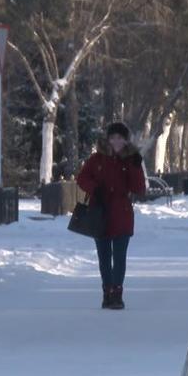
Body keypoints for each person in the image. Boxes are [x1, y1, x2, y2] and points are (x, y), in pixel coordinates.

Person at [76, 122, 146, 310]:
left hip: (122, 213)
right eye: (113, 137)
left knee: (120, 256)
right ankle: (107, 292)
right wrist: (94, 189)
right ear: (108, 139)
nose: (116, 141)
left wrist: (136, 166)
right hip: (100, 213)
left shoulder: (131, 159)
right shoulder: (97, 159)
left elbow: (139, 188)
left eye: (120, 138)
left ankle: (117, 293)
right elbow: (81, 178)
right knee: (104, 256)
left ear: (125, 140)